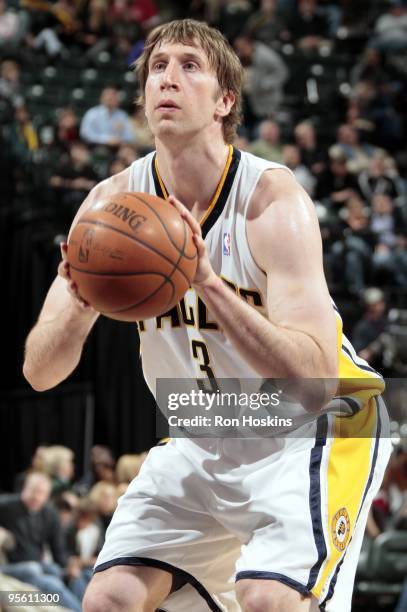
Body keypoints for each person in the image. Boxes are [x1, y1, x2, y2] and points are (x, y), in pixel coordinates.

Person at [23, 19, 392, 612]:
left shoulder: (273, 202)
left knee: (268, 598)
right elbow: (39, 372)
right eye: (158, 67)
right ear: (144, 96)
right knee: (108, 599)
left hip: (317, 428)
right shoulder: (107, 208)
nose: (168, 77)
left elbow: (315, 383)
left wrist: (208, 283)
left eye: (190, 65)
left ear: (225, 101)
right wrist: (81, 308)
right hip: (207, 430)